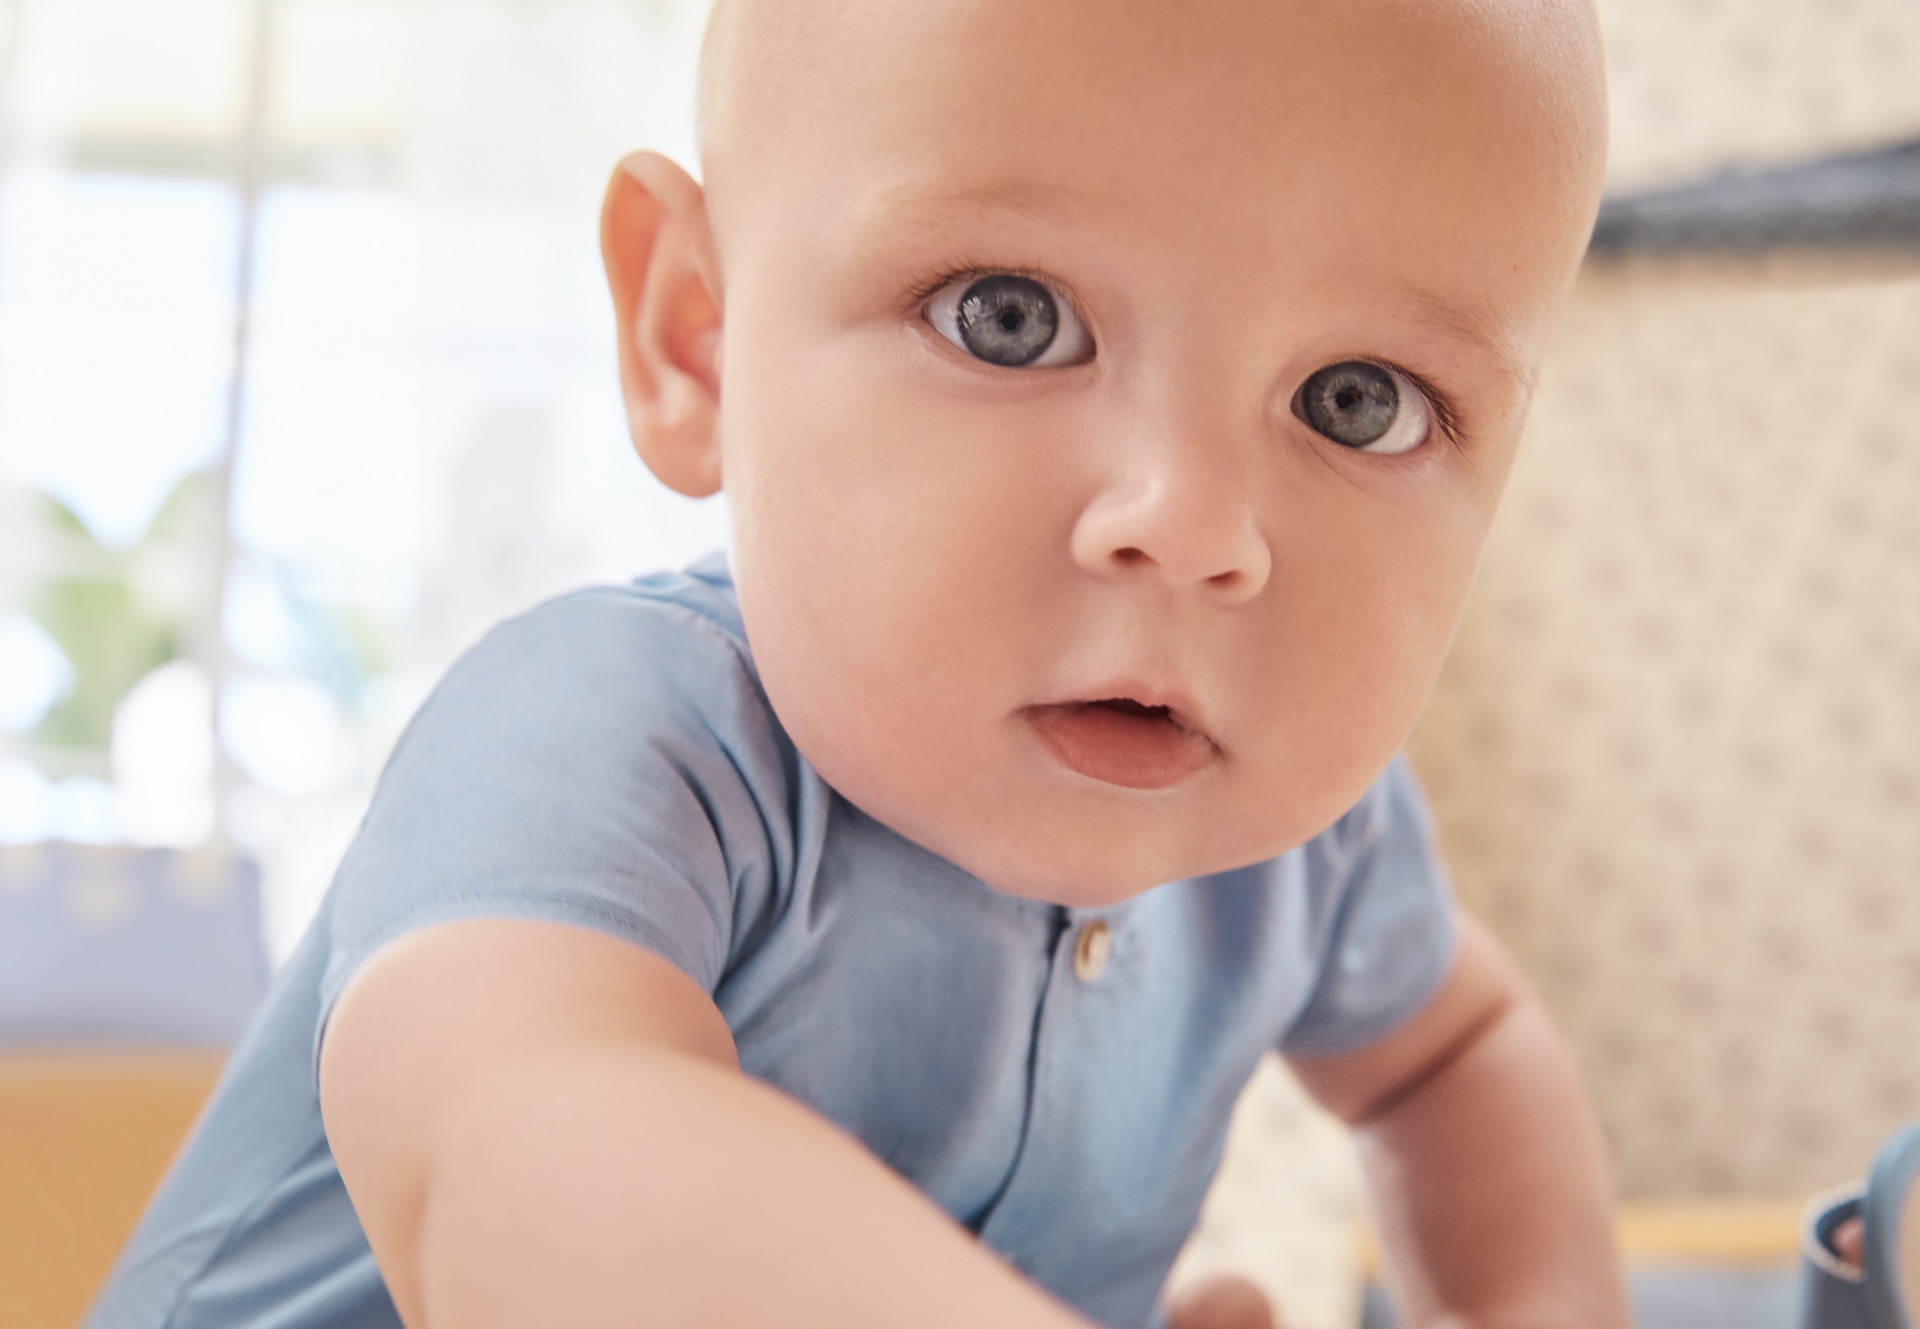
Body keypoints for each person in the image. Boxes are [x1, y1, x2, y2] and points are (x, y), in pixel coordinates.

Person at [89, 2, 1625, 1326]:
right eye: (1010, 320)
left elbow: (1455, 1053)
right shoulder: (615, 733)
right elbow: (521, 1164)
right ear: (695, 339)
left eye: (1361, 401)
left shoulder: (1316, 845)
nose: (1195, 526)